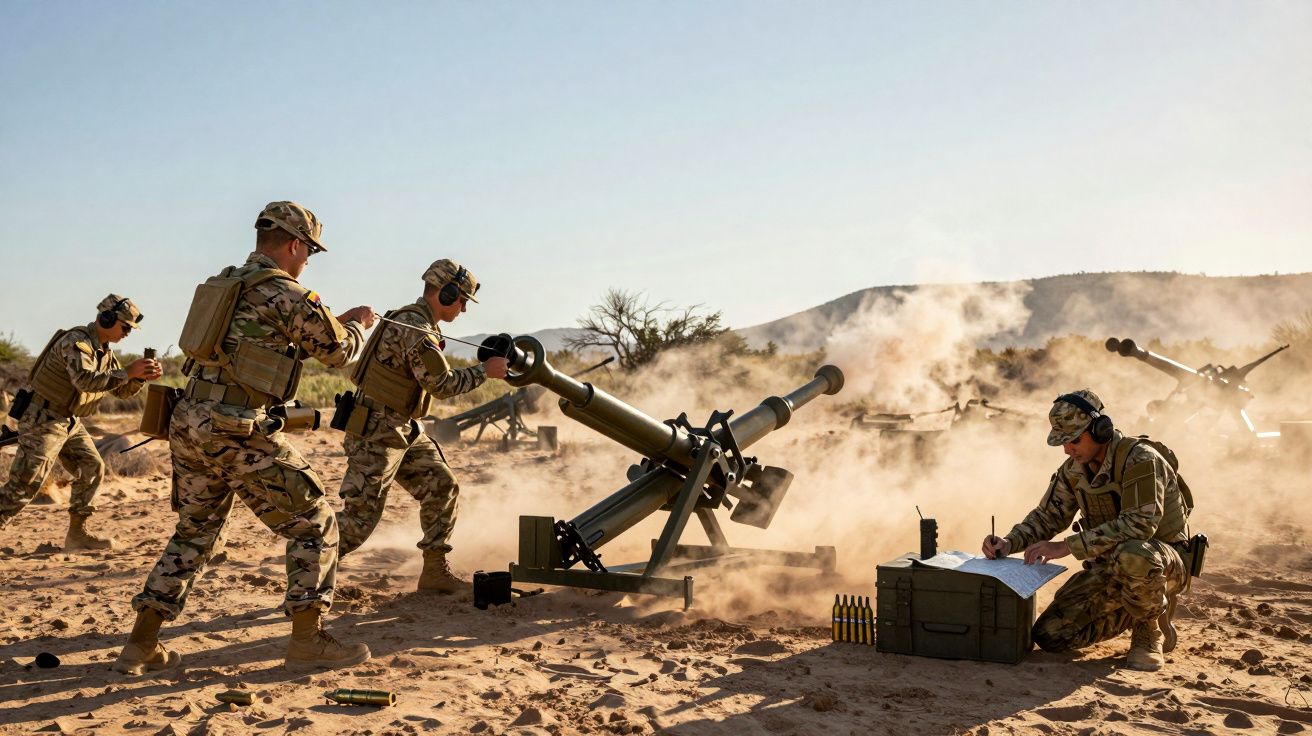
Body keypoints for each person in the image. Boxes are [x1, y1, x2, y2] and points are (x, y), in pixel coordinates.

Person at [115, 201, 377, 675]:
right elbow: (338, 353)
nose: (306, 261)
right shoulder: (287, 292)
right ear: (296, 244)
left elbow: (255, 340)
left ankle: (141, 645)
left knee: (194, 533)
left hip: (188, 418)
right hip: (234, 426)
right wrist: (357, 322)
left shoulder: (227, 283)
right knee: (315, 523)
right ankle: (307, 640)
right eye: (308, 252)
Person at [981, 390, 1192, 671]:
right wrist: (1009, 542)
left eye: (1074, 440)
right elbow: (1048, 516)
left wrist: (1065, 547)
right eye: (1063, 443)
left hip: (1162, 564)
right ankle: (1138, 604)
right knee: (1051, 635)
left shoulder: (1140, 460)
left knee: (1134, 554)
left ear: (1101, 430)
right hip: (1110, 567)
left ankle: (1148, 628)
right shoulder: (1074, 469)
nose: (1068, 449)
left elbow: (1140, 525)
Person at [336, 259, 508, 592]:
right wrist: (485, 372)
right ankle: (306, 573)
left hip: (400, 428)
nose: (463, 310)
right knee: (358, 522)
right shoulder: (416, 329)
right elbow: (442, 385)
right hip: (377, 433)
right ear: (446, 293)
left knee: (442, 487)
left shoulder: (418, 324)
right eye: (461, 301)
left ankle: (433, 573)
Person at [0, 295, 161, 549]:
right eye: (126, 326)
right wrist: (129, 371)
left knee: (92, 467)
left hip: (67, 420)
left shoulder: (105, 353)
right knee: (26, 483)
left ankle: (77, 535)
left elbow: (120, 391)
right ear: (107, 319)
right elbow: (86, 381)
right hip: (44, 417)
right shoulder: (76, 342)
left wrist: (140, 378)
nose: (128, 333)